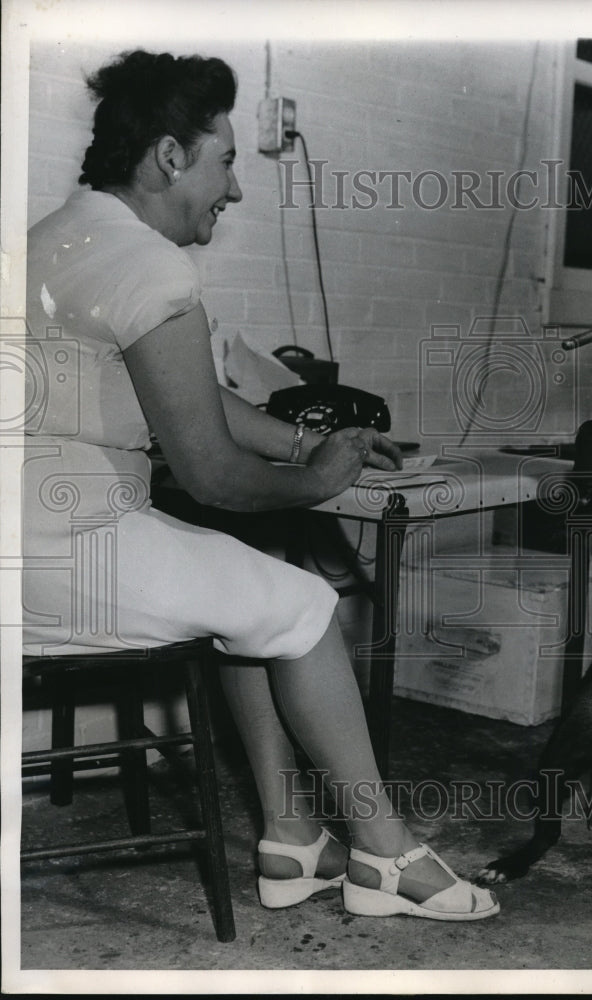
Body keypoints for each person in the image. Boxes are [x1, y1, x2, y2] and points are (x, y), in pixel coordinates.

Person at [22, 49, 499, 922]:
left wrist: (315, 438)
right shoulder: (150, 268)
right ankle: (386, 857)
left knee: (251, 596)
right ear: (170, 157)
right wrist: (313, 480)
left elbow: (195, 397)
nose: (232, 190)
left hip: (26, 546)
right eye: (227, 160)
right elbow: (211, 474)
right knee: (306, 605)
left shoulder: (56, 238)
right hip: (69, 557)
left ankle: (291, 841)